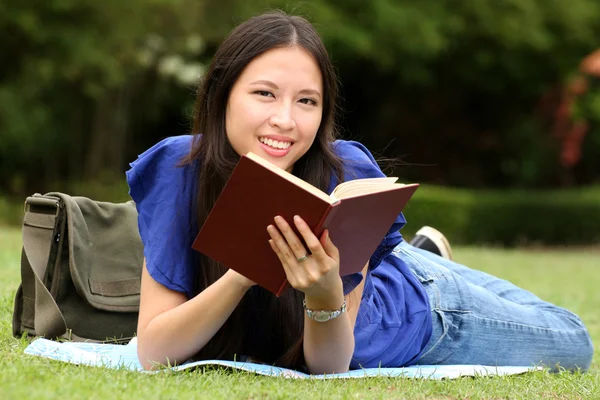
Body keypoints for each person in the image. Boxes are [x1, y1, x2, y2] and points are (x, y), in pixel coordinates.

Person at [126, 11, 593, 373]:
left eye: (306, 101)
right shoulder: (179, 169)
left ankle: (413, 260)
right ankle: (414, 253)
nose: (285, 120)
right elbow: (154, 351)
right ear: (222, 94)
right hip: (375, 278)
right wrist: (242, 273)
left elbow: (329, 368)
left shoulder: (342, 177)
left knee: (573, 340)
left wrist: (326, 293)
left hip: (411, 311)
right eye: (264, 94)